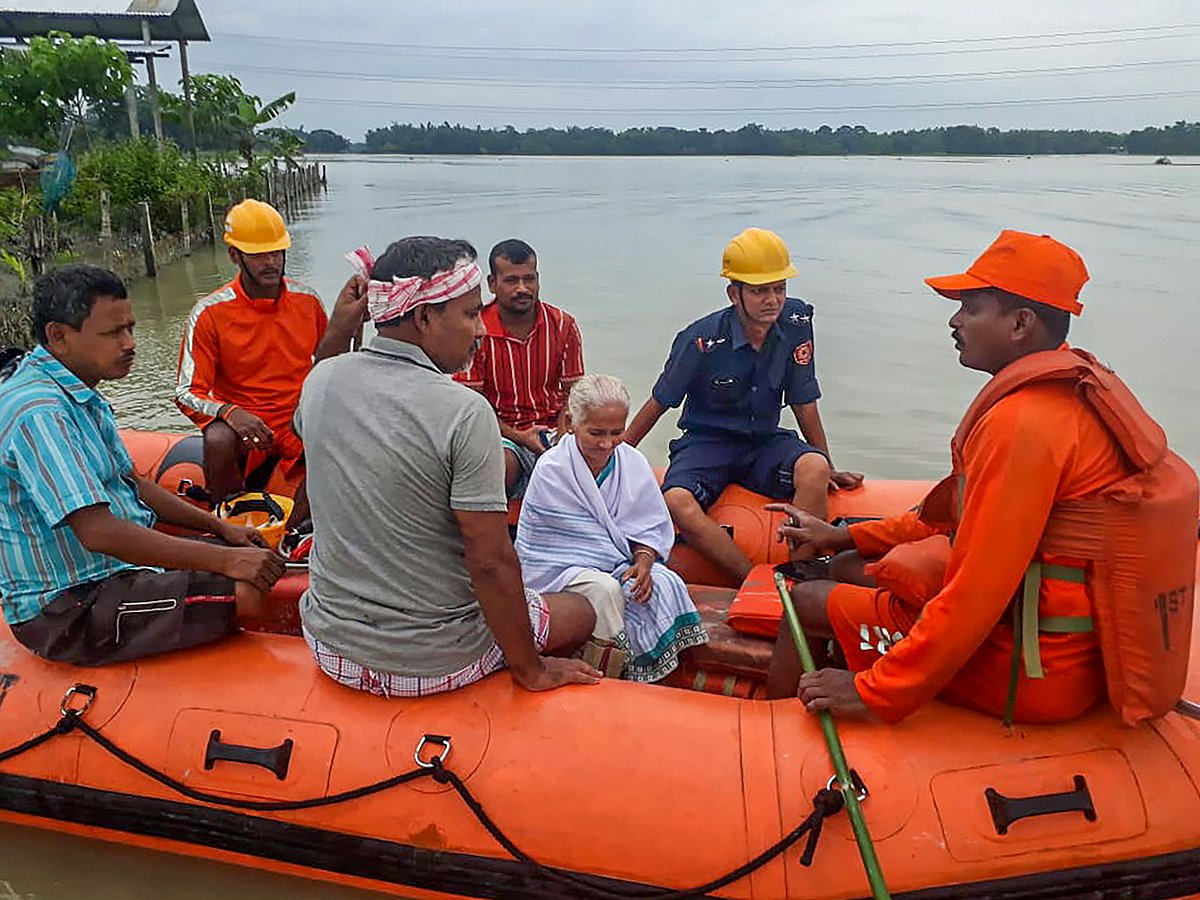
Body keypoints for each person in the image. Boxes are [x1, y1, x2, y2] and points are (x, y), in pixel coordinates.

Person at [765, 229, 1196, 725]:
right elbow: (952, 515)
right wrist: (844, 535)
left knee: (807, 599)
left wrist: (874, 690)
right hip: (1064, 645)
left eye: (970, 307)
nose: (955, 319)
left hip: (1033, 672)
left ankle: (772, 737)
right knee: (844, 566)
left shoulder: (1022, 425)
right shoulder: (1070, 393)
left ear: (1020, 323)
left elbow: (977, 594)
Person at [298, 236, 601, 697]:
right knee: (583, 608)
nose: (481, 329)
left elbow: (319, 394)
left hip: (331, 646)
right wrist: (531, 671)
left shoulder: (321, 380)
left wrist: (339, 331)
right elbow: (491, 563)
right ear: (424, 317)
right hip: (434, 659)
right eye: (470, 313)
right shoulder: (462, 411)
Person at [0, 265, 285, 666]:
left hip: (114, 571)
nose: (130, 343)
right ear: (58, 336)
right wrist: (226, 559)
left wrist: (223, 529)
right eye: (114, 333)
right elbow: (97, 531)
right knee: (249, 589)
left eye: (130, 328)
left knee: (253, 558)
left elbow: (131, 483)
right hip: (68, 605)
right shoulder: (39, 412)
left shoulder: (81, 394)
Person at [624, 228, 862, 584]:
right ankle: (753, 580)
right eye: (759, 290)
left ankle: (799, 576)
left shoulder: (797, 323)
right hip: (707, 444)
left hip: (763, 442)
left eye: (779, 288)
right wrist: (614, 458)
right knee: (677, 501)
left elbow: (803, 399)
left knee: (812, 467)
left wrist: (827, 463)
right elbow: (660, 402)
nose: (772, 300)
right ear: (734, 294)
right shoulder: (701, 339)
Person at [174, 199, 363, 522]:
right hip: (247, 429)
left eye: (277, 253)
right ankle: (228, 521)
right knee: (217, 437)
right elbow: (187, 392)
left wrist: (354, 325)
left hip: (297, 420)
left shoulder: (307, 301)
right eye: (259, 255)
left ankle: (299, 528)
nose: (271, 262)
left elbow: (330, 367)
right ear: (235, 256)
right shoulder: (210, 313)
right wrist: (231, 413)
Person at [516, 374, 709, 682]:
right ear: (572, 422)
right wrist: (618, 565)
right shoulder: (552, 469)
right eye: (596, 433)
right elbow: (551, 546)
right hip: (559, 571)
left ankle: (657, 676)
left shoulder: (631, 462)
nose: (606, 443)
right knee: (604, 590)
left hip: (622, 562)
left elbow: (648, 527)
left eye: (616, 432)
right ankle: (611, 675)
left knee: (665, 583)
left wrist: (644, 562)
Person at [454, 239, 584, 498]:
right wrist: (520, 436)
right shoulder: (476, 331)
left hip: (554, 430)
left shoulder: (562, 325)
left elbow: (574, 393)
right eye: (512, 281)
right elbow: (470, 406)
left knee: (588, 460)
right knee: (503, 465)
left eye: (529, 279)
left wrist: (559, 439)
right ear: (492, 284)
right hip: (500, 433)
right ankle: (496, 534)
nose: (523, 288)